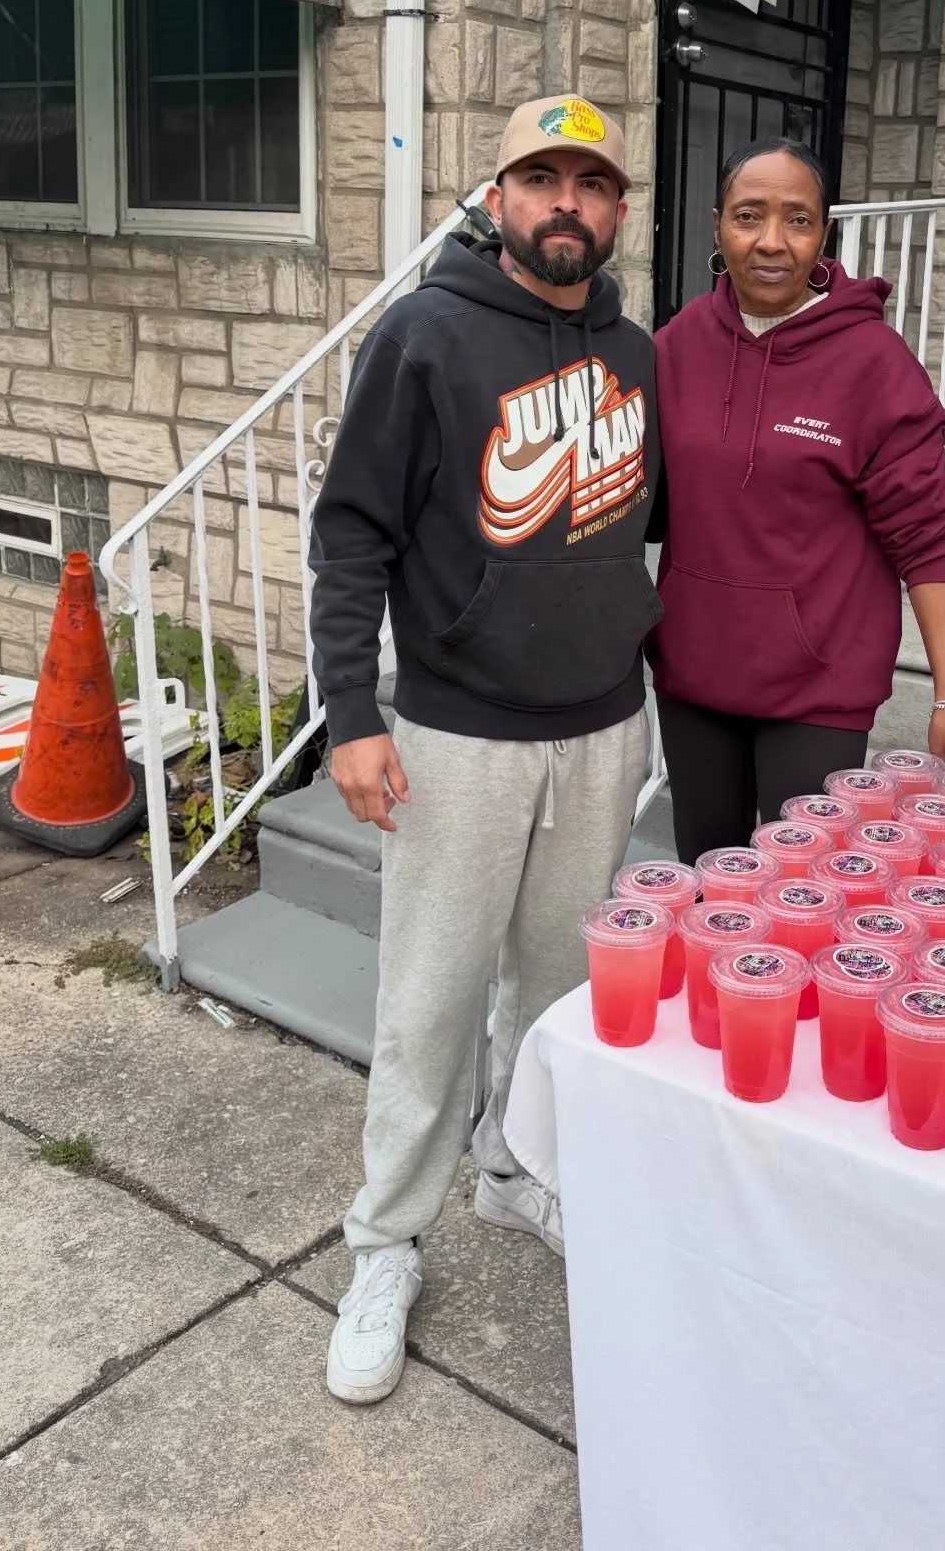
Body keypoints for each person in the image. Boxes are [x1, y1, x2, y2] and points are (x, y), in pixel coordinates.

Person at [309, 95, 660, 1405]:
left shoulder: (637, 354)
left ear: (618, 209)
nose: (566, 202)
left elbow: (647, 526)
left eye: (592, 182)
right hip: (457, 734)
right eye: (541, 179)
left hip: (603, 729)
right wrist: (351, 714)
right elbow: (353, 536)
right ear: (500, 196)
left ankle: (516, 1175)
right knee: (429, 1001)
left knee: (560, 994)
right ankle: (384, 1246)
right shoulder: (425, 336)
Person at [647, 136, 945, 860]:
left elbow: (927, 537)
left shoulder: (873, 364)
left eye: (797, 220)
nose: (772, 242)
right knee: (709, 879)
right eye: (748, 216)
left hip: (818, 687)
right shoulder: (677, 345)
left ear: (823, 234)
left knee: (801, 892)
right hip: (695, 673)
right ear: (717, 226)